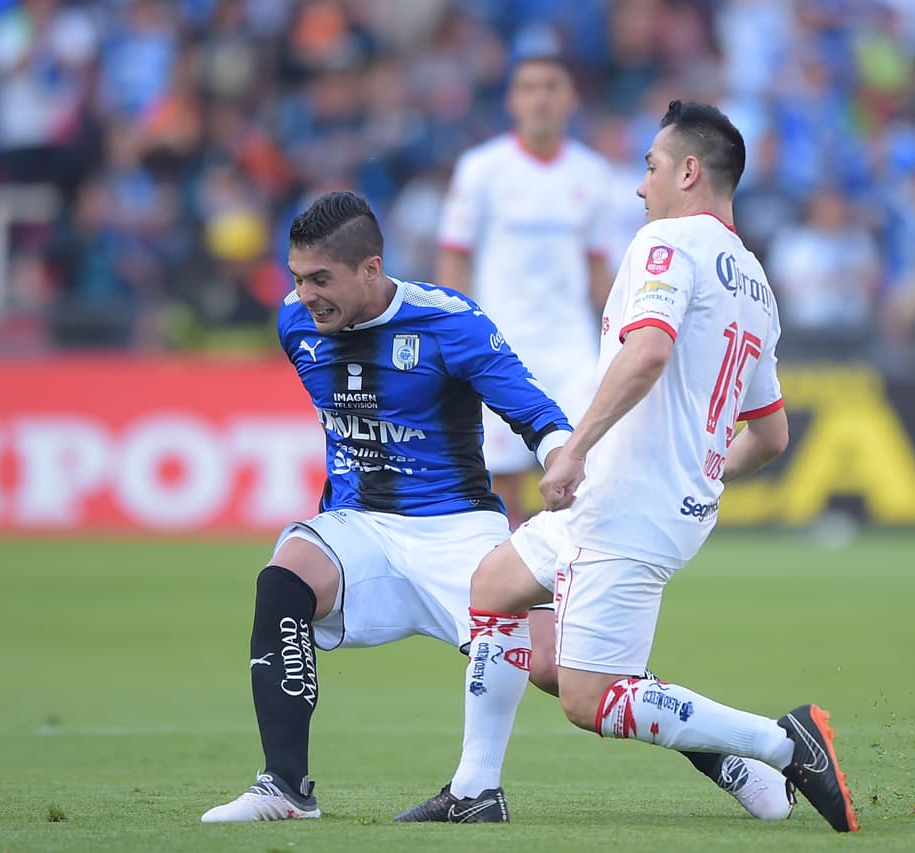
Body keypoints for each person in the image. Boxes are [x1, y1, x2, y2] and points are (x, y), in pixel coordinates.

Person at [201, 190, 790, 824]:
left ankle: (731, 760)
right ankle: (285, 789)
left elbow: (534, 411)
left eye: (321, 279)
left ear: (371, 269)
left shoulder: (450, 322)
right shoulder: (295, 324)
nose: (305, 295)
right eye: (297, 278)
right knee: (283, 582)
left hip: (458, 531)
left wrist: (564, 462)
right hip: (361, 525)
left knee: (567, 668)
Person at [396, 101, 860, 834]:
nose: (639, 187)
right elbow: (770, 434)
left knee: (591, 698)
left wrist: (574, 448)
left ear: (687, 170)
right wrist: (703, 473)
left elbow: (647, 352)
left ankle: (779, 742)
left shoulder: (667, 242)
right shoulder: (758, 284)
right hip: (649, 501)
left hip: (622, 499)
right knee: (494, 587)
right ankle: (475, 788)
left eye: (649, 167)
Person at [436, 53, 612, 526]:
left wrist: (624, 339)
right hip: (500, 344)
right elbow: (455, 256)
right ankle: (509, 595)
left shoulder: (594, 175)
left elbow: (600, 272)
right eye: (530, 87)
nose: (541, 98)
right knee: (503, 481)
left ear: (571, 99)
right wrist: (455, 338)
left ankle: (567, 585)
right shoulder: (481, 169)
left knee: (585, 468)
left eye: (552, 86)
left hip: (570, 345)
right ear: (512, 100)